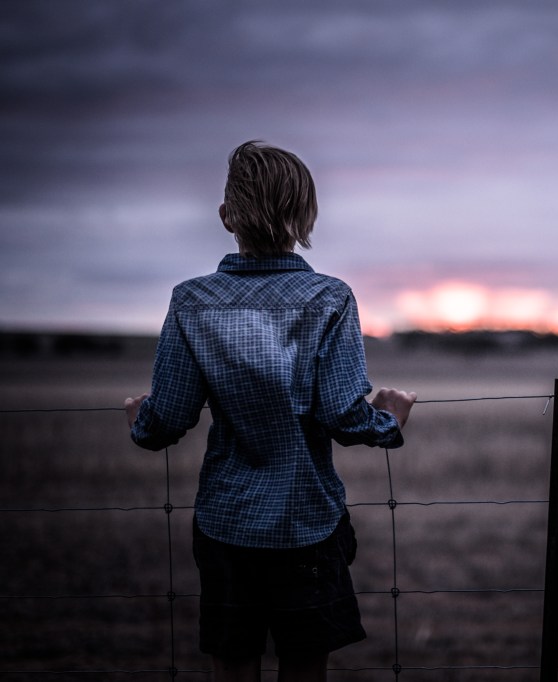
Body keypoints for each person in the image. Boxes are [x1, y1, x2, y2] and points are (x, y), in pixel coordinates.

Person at [124, 140, 416, 682]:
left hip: (224, 523)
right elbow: (346, 419)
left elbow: (167, 420)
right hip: (308, 524)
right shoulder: (330, 298)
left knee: (233, 667)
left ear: (225, 215)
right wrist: (391, 419)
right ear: (307, 215)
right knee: (305, 668)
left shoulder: (192, 300)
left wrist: (140, 418)